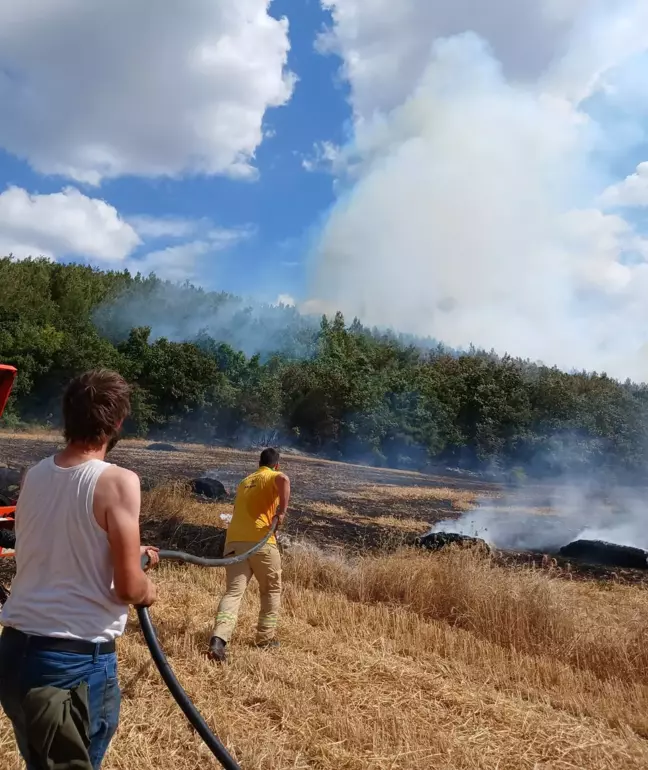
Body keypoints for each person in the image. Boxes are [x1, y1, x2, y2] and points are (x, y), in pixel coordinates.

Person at [0, 369, 160, 770]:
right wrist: (147, 589)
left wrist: (124, 549)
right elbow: (127, 589)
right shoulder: (119, 482)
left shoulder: (33, 475)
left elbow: (59, 542)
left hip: (15, 654)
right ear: (118, 422)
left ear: (66, 416)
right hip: (71, 666)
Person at [208, 447, 290, 663]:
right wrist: (281, 511)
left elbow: (237, 512)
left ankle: (218, 639)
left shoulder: (245, 481)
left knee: (233, 592)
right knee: (271, 589)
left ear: (258, 464)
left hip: (234, 541)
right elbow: (284, 480)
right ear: (276, 464)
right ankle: (265, 638)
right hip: (261, 542)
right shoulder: (273, 475)